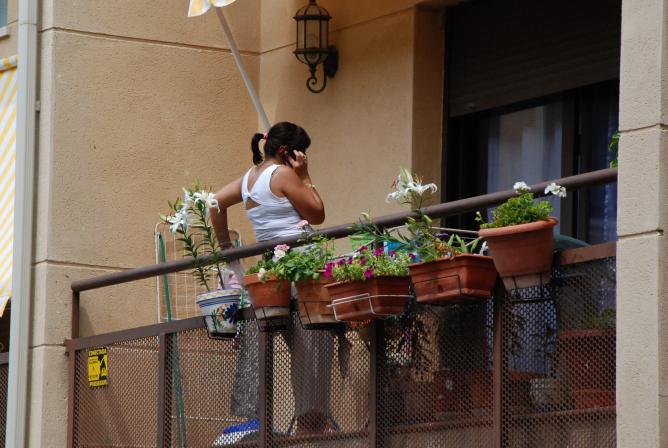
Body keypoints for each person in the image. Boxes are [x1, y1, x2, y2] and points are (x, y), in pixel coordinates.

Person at [210, 121, 337, 436]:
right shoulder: (283, 174)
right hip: (303, 269)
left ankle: (308, 422)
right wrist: (305, 176)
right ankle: (311, 426)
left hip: (276, 272)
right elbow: (318, 213)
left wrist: (226, 246)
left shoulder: (249, 178)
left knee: (300, 350)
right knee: (316, 346)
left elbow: (214, 201)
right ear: (285, 151)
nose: (302, 158)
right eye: (300, 152)